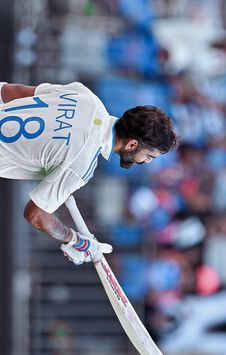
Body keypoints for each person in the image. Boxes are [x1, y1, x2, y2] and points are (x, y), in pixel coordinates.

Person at [0, 81, 177, 264]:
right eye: (149, 156)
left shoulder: (86, 97)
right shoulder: (81, 166)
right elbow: (36, 215)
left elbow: (11, 91)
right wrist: (75, 241)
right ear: (132, 144)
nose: (145, 162)